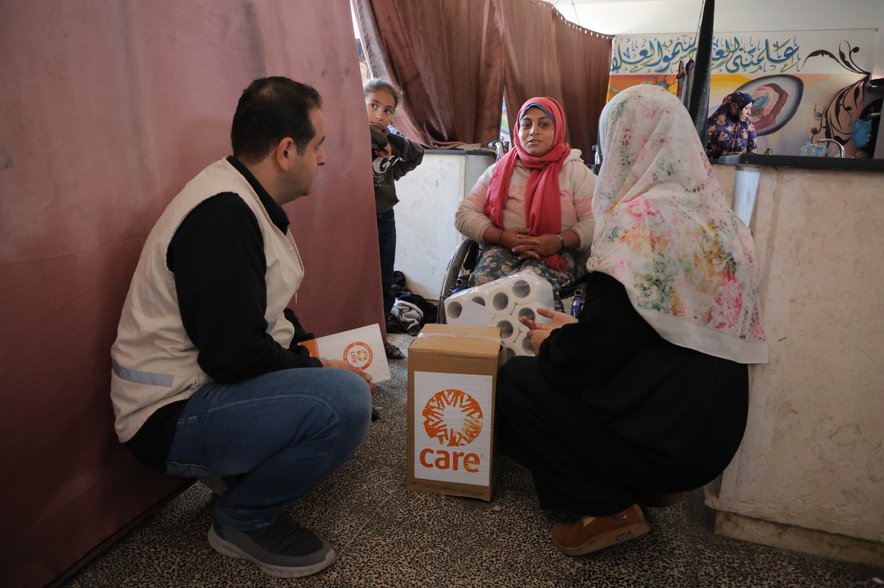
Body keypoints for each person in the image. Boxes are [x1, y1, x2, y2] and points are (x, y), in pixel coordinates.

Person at [110, 77, 375, 578]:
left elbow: (261, 315)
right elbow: (232, 356)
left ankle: (238, 472)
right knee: (344, 403)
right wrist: (316, 370)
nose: (321, 159)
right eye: (318, 147)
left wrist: (310, 353)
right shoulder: (221, 216)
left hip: (197, 392)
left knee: (336, 382)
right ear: (286, 150)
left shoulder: (238, 196)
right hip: (166, 417)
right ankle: (242, 519)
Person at [496, 84, 768, 556]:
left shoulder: (639, 227)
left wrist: (552, 345)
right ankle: (648, 487)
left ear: (625, 143)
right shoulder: (723, 222)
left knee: (518, 381)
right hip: (714, 435)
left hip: (664, 439)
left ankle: (605, 506)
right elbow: (652, 333)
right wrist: (580, 332)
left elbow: (591, 361)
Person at [454, 97, 595, 309]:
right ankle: (488, 341)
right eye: (526, 124)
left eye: (544, 124)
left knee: (530, 285)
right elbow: (464, 214)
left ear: (558, 130)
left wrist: (560, 240)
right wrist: (502, 237)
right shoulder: (499, 170)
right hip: (503, 247)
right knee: (483, 283)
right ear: (517, 131)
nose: (533, 131)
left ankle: (538, 341)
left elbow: (598, 222)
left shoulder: (574, 171)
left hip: (561, 252)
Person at [363, 78, 425, 360]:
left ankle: (380, 338)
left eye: (388, 110)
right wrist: (376, 140)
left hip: (384, 218)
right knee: (356, 280)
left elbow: (417, 153)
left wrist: (391, 173)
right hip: (355, 221)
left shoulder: (390, 141)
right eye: (373, 105)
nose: (380, 115)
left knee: (384, 278)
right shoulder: (353, 138)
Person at [705, 91, 758, 159]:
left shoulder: (747, 126)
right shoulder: (712, 124)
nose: (749, 113)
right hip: (715, 167)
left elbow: (753, 150)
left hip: (740, 168)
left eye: (750, 108)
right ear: (735, 107)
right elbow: (701, 151)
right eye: (746, 108)